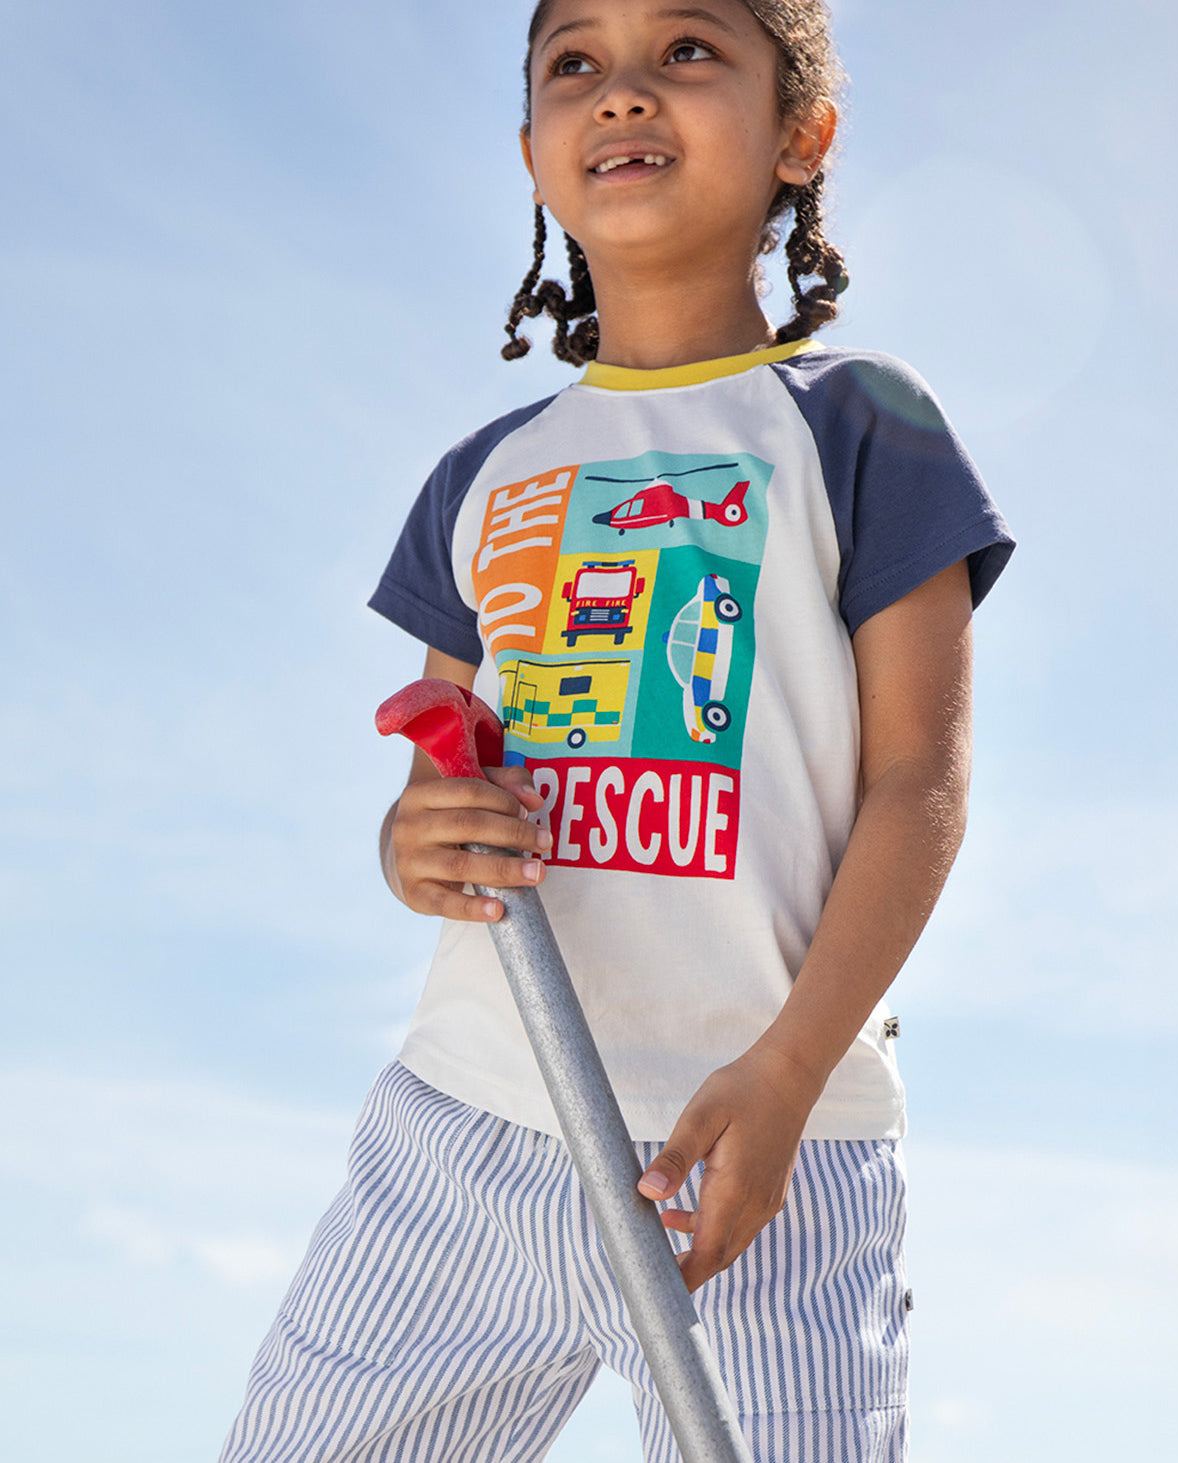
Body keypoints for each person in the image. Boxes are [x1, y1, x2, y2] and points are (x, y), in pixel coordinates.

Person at [219, 2, 1013, 1459]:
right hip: (467, 1126)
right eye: (573, 65)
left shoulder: (861, 421)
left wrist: (785, 1078)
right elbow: (435, 791)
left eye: (687, 52)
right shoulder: (484, 471)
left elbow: (918, 781)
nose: (622, 93)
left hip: (770, 1138)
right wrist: (413, 842)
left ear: (801, 135)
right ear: (531, 152)